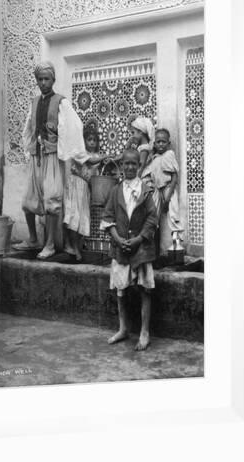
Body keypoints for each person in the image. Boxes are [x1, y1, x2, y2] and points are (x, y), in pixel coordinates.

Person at [17, 61, 89, 260]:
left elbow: (73, 127)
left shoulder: (61, 102)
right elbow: (28, 129)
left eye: (46, 79)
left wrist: (72, 154)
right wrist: (29, 150)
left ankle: (49, 244)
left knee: (52, 202)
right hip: (37, 158)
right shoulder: (34, 102)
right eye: (39, 79)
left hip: (53, 158)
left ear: (53, 80)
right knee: (27, 201)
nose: (43, 83)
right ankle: (33, 239)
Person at [100, 149, 157, 351]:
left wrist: (139, 239)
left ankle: (144, 332)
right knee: (120, 290)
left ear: (138, 166)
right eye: (127, 164)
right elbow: (108, 218)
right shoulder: (116, 191)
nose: (130, 167)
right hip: (121, 248)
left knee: (144, 289)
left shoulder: (145, 189)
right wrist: (117, 238)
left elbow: (152, 217)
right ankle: (123, 328)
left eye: (134, 163)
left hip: (141, 248)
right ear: (122, 166)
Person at [63, 128, 109, 262]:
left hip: (86, 189)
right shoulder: (81, 153)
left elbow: (98, 167)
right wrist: (106, 156)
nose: (92, 143)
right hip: (76, 186)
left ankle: (77, 246)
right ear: (84, 141)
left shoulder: (97, 157)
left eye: (95, 140)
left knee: (82, 218)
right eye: (89, 140)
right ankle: (72, 247)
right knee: (74, 217)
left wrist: (113, 158)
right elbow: (90, 162)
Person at [144, 128, 183, 254]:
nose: (161, 144)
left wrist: (168, 196)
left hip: (168, 189)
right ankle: (154, 250)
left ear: (168, 143)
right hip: (158, 191)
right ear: (154, 143)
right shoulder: (155, 158)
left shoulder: (169, 155)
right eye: (158, 142)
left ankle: (177, 249)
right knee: (154, 218)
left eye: (163, 142)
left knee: (173, 216)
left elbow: (174, 177)